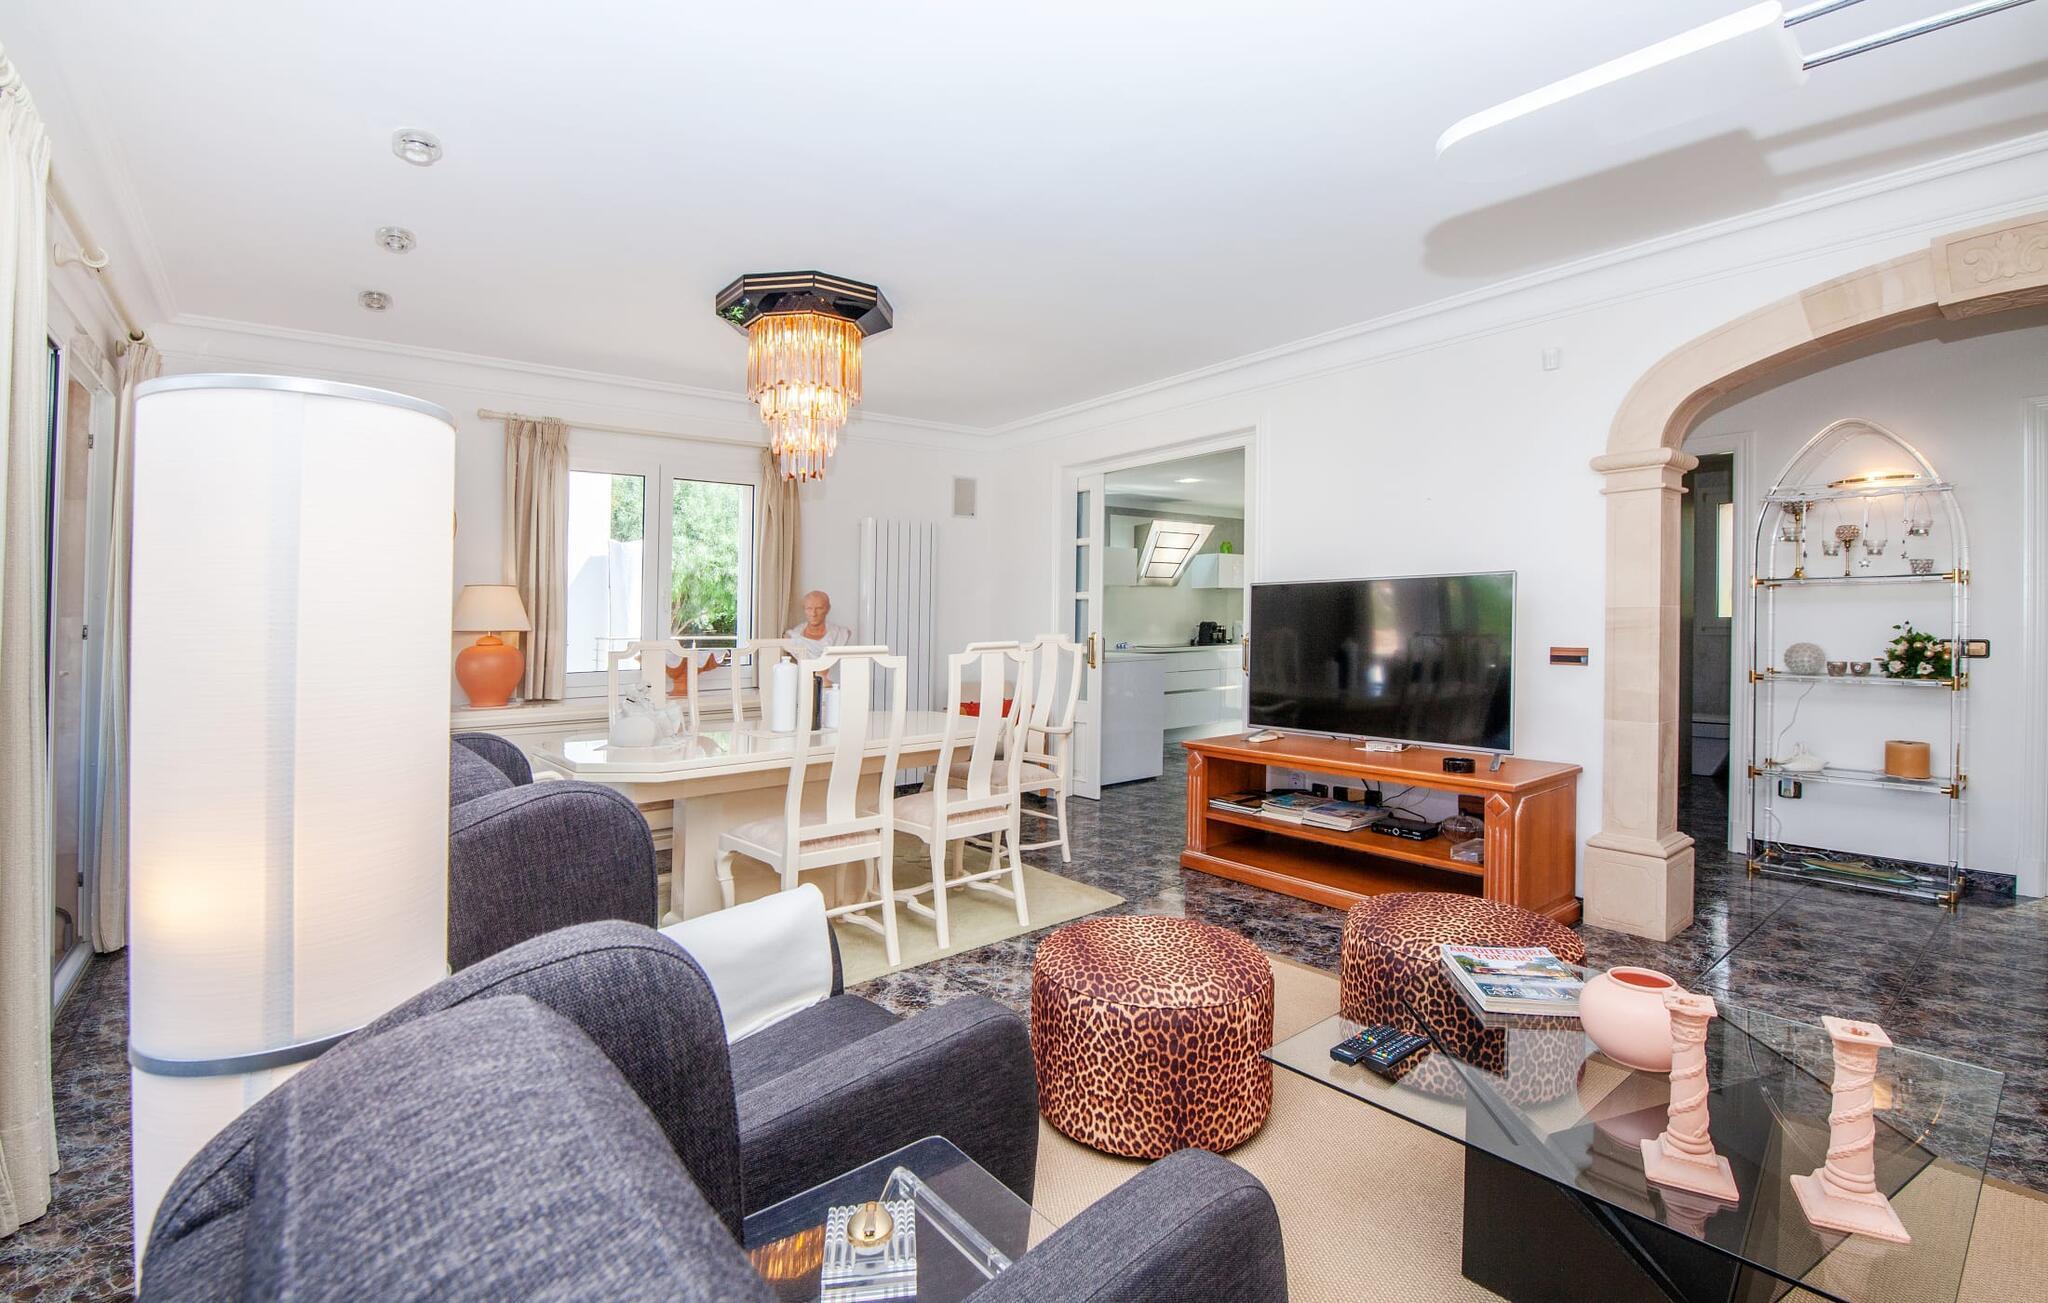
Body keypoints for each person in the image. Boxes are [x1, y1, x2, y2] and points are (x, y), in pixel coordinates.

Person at [785, 590, 855, 661]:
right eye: (809, 608)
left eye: (819, 608)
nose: (813, 614)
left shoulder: (839, 634)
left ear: (828, 609)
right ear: (804, 609)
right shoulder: (793, 636)